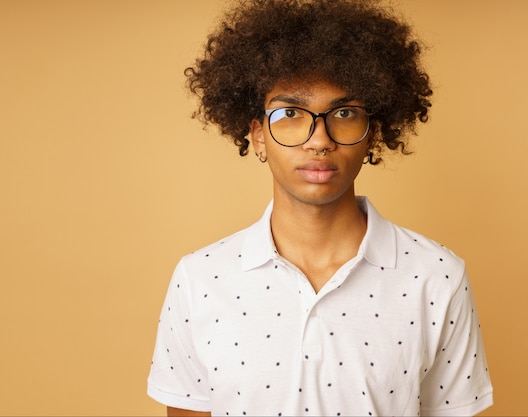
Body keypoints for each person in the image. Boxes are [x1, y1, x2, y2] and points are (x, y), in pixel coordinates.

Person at [147, 0, 493, 415]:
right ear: (258, 136)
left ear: (371, 134)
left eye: (343, 113)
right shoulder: (199, 279)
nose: (319, 140)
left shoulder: (437, 277)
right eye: (290, 112)